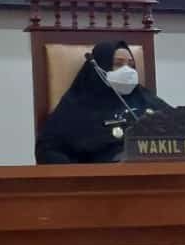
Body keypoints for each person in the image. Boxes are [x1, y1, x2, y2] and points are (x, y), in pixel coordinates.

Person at [35, 41, 171, 164]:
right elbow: (48, 150)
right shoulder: (78, 105)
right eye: (118, 64)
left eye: (131, 65)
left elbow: (177, 128)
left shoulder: (145, 98)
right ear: (99, 67)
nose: (127, 71)